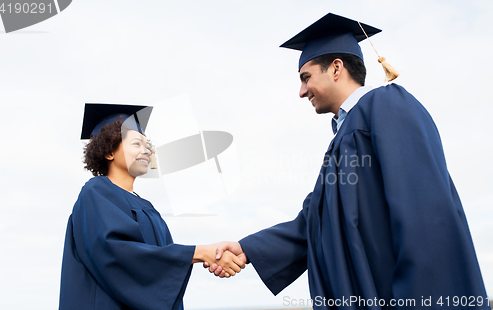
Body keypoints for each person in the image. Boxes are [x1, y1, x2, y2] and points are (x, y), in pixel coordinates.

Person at [208, 13, 489, 309]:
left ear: (336, 69)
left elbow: (426, 213)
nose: (302, 91)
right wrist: (246, 249)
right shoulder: (343, 138)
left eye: (306, 77)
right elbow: (313, 223)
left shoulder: (387, 106)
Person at [59, 104, 245, 310]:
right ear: (109, 151)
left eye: (148, 146)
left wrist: (207, 256)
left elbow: (160, 265)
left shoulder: (147, 207)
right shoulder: (96, 191)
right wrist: (199, 253)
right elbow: (116, 254)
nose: (146, 151)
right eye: (137, 144)